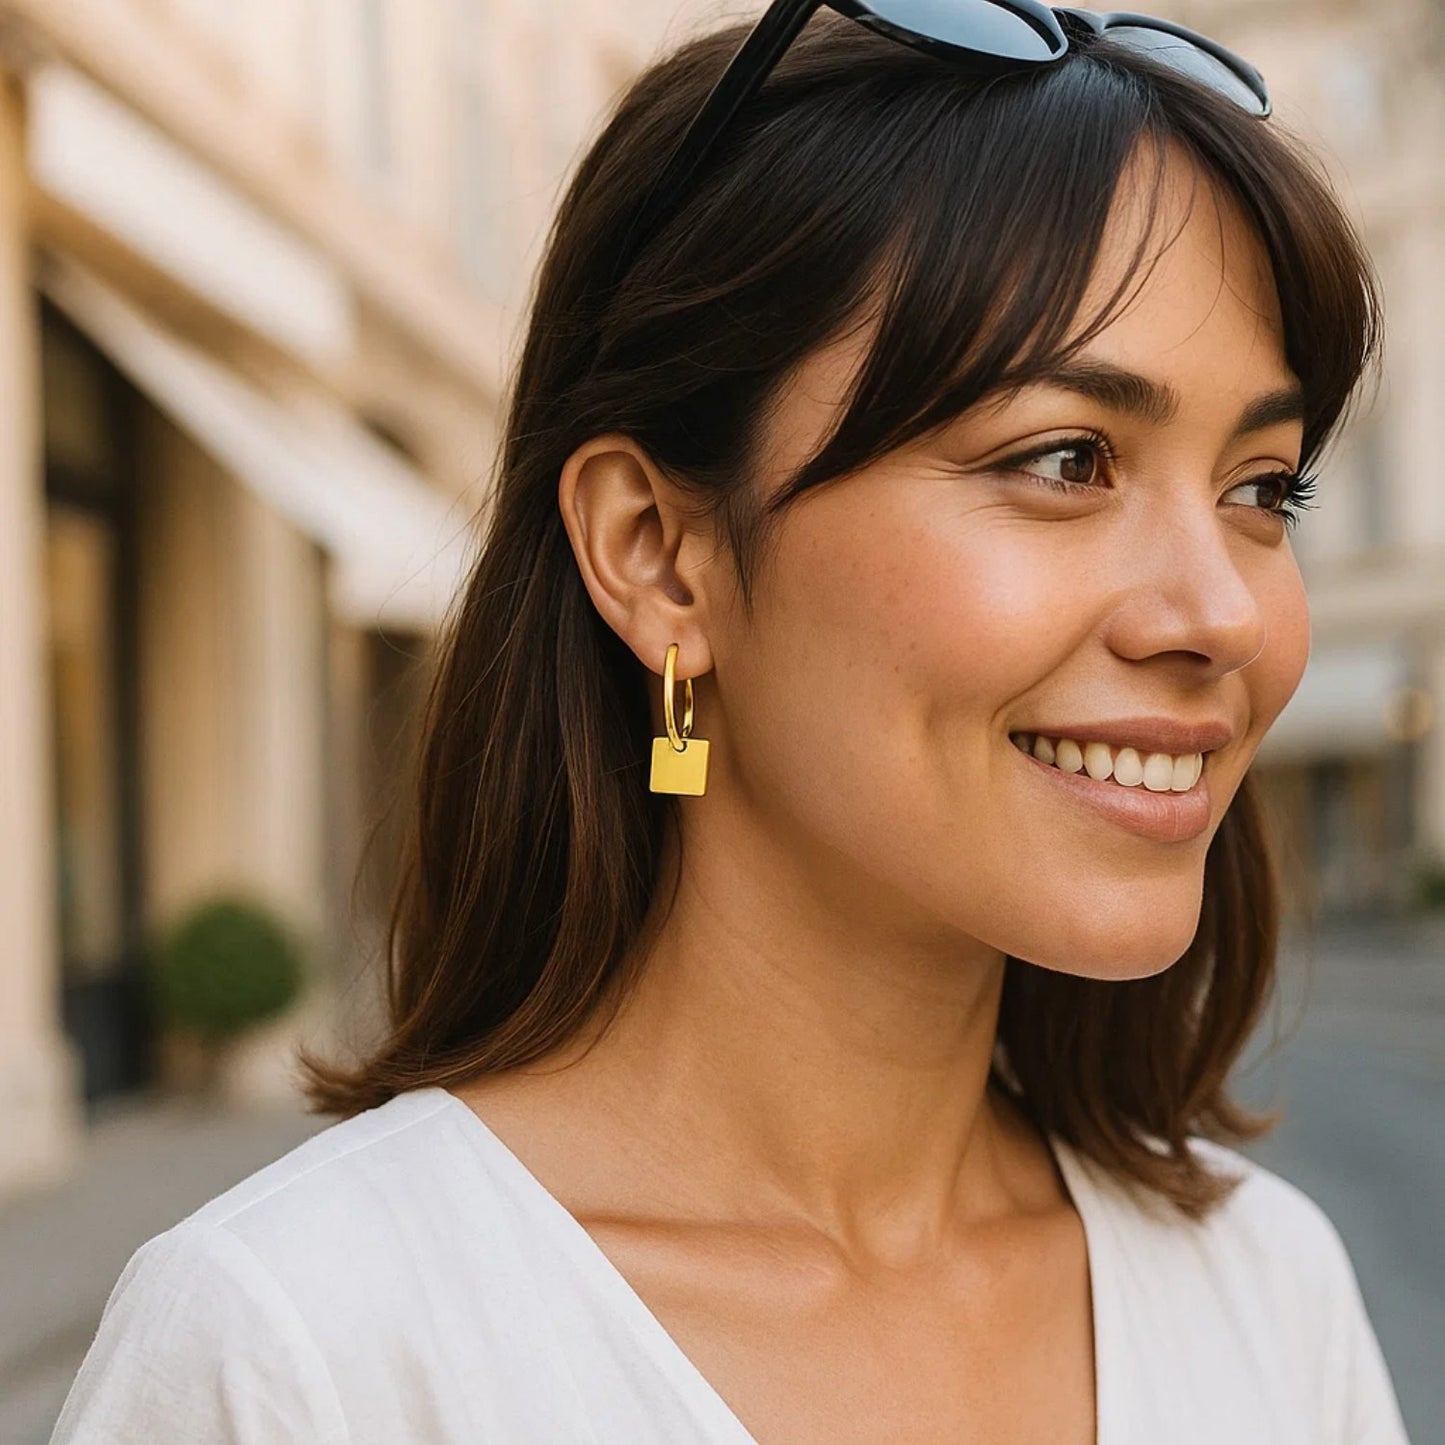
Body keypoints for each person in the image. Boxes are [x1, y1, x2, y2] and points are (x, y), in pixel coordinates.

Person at [51, 4, 1411, 1442]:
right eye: (1064, 458)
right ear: (657, 552)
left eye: (1262, 489)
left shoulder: (1266, 1290)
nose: (1224, 613)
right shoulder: (302, 1354)